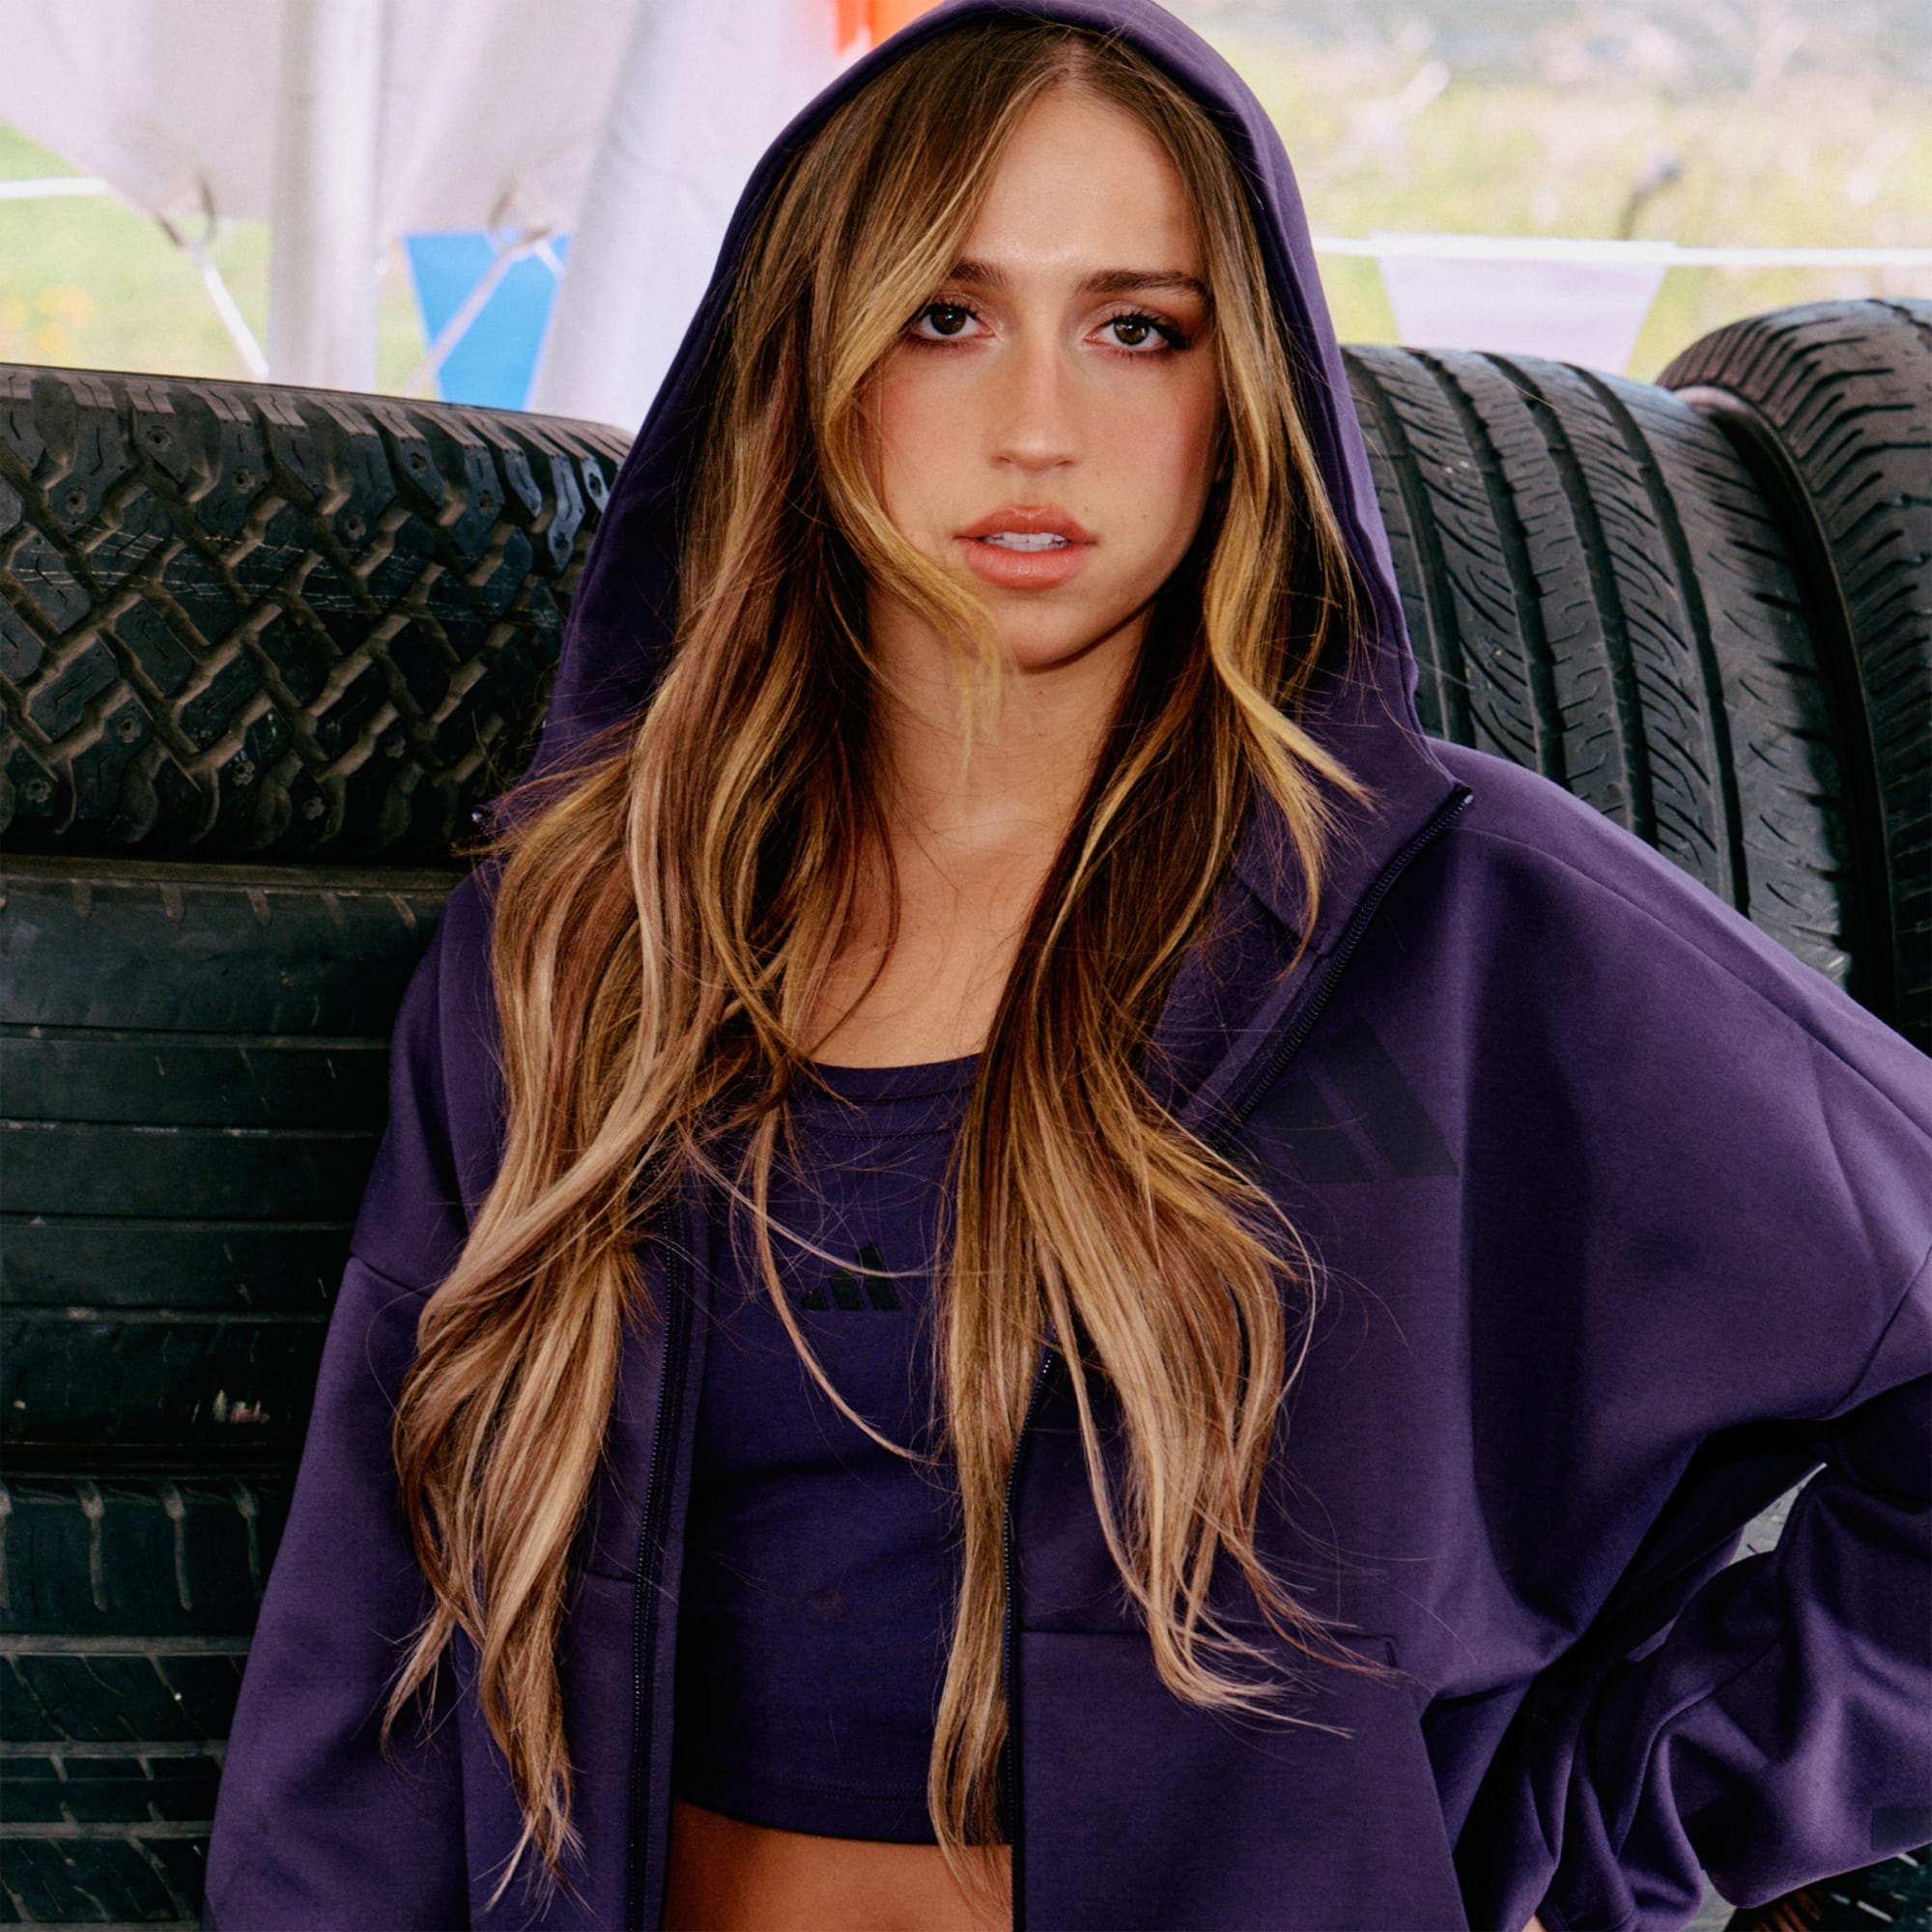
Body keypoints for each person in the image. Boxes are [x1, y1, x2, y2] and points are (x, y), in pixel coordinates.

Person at [201, 3, 1932, 1929]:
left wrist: (1604, 1837)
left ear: (1246, 385)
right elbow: (376, 1627)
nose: (1038, 424)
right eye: (946, 315)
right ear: (807, 358)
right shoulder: (593, 942)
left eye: (1137, 328)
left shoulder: (1469, 925)